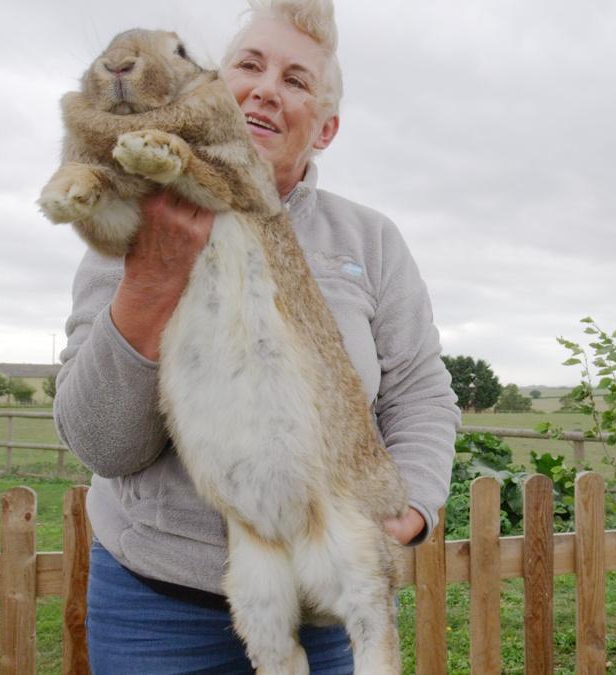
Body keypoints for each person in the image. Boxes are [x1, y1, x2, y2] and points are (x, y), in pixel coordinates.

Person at [52, 1, 459, 672]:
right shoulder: (132, 214)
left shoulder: (369, 240)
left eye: (297, 80)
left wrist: (411, 502)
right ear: (210, 85)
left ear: (325, 129)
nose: (267, 88)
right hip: (156, 612)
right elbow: (103, 444)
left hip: (317, 603)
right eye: (249, 64)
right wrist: (152, 277)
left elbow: (419, 387)